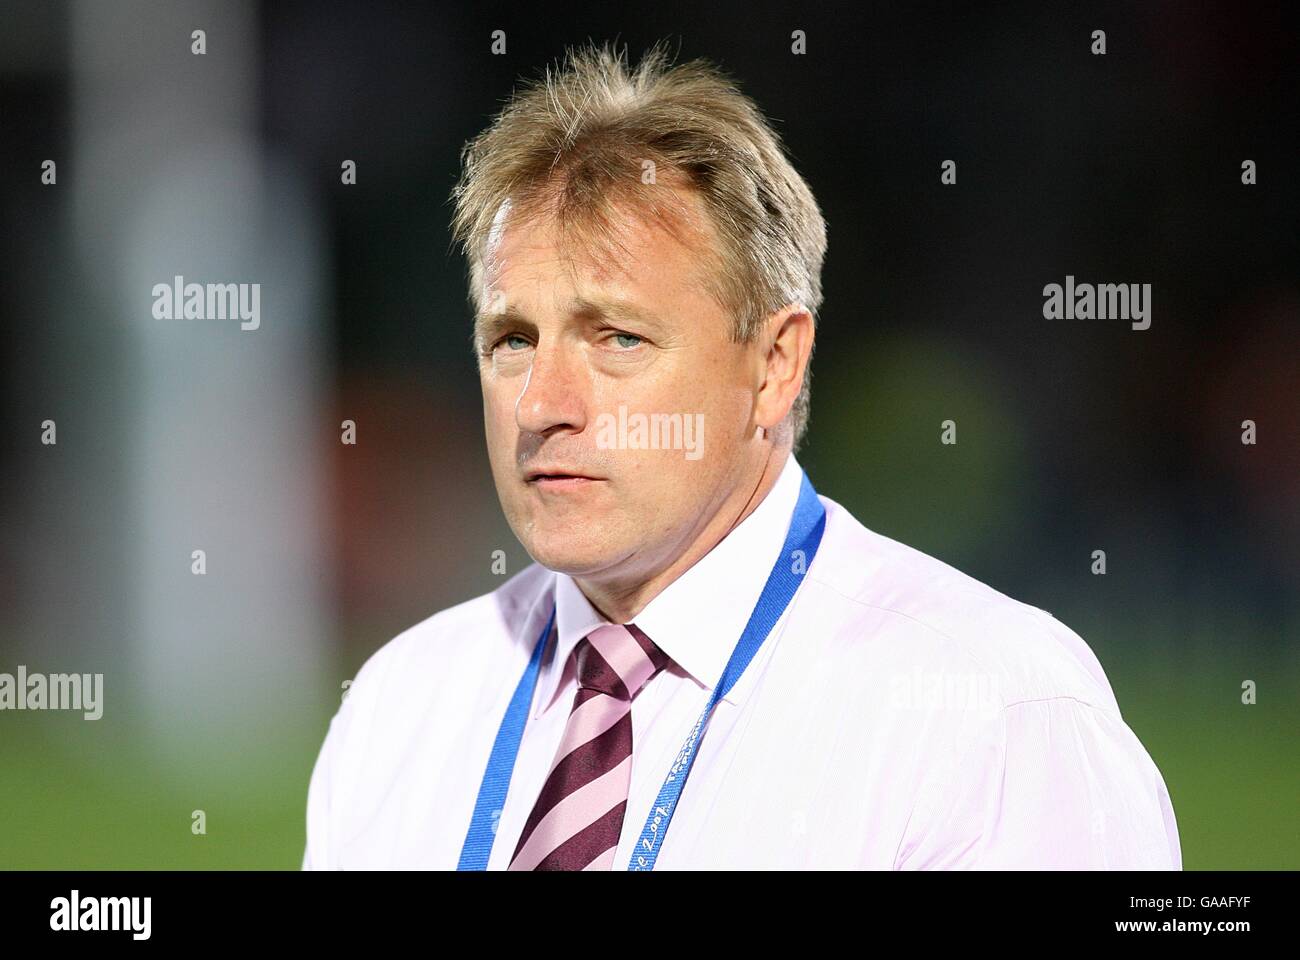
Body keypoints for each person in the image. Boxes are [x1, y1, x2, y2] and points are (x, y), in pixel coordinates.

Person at [302, 41, 1181, 870]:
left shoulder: (992, 715)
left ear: (773, 367)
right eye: (513, 340)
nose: (541, 406)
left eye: (617, 337)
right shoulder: (399, 707)